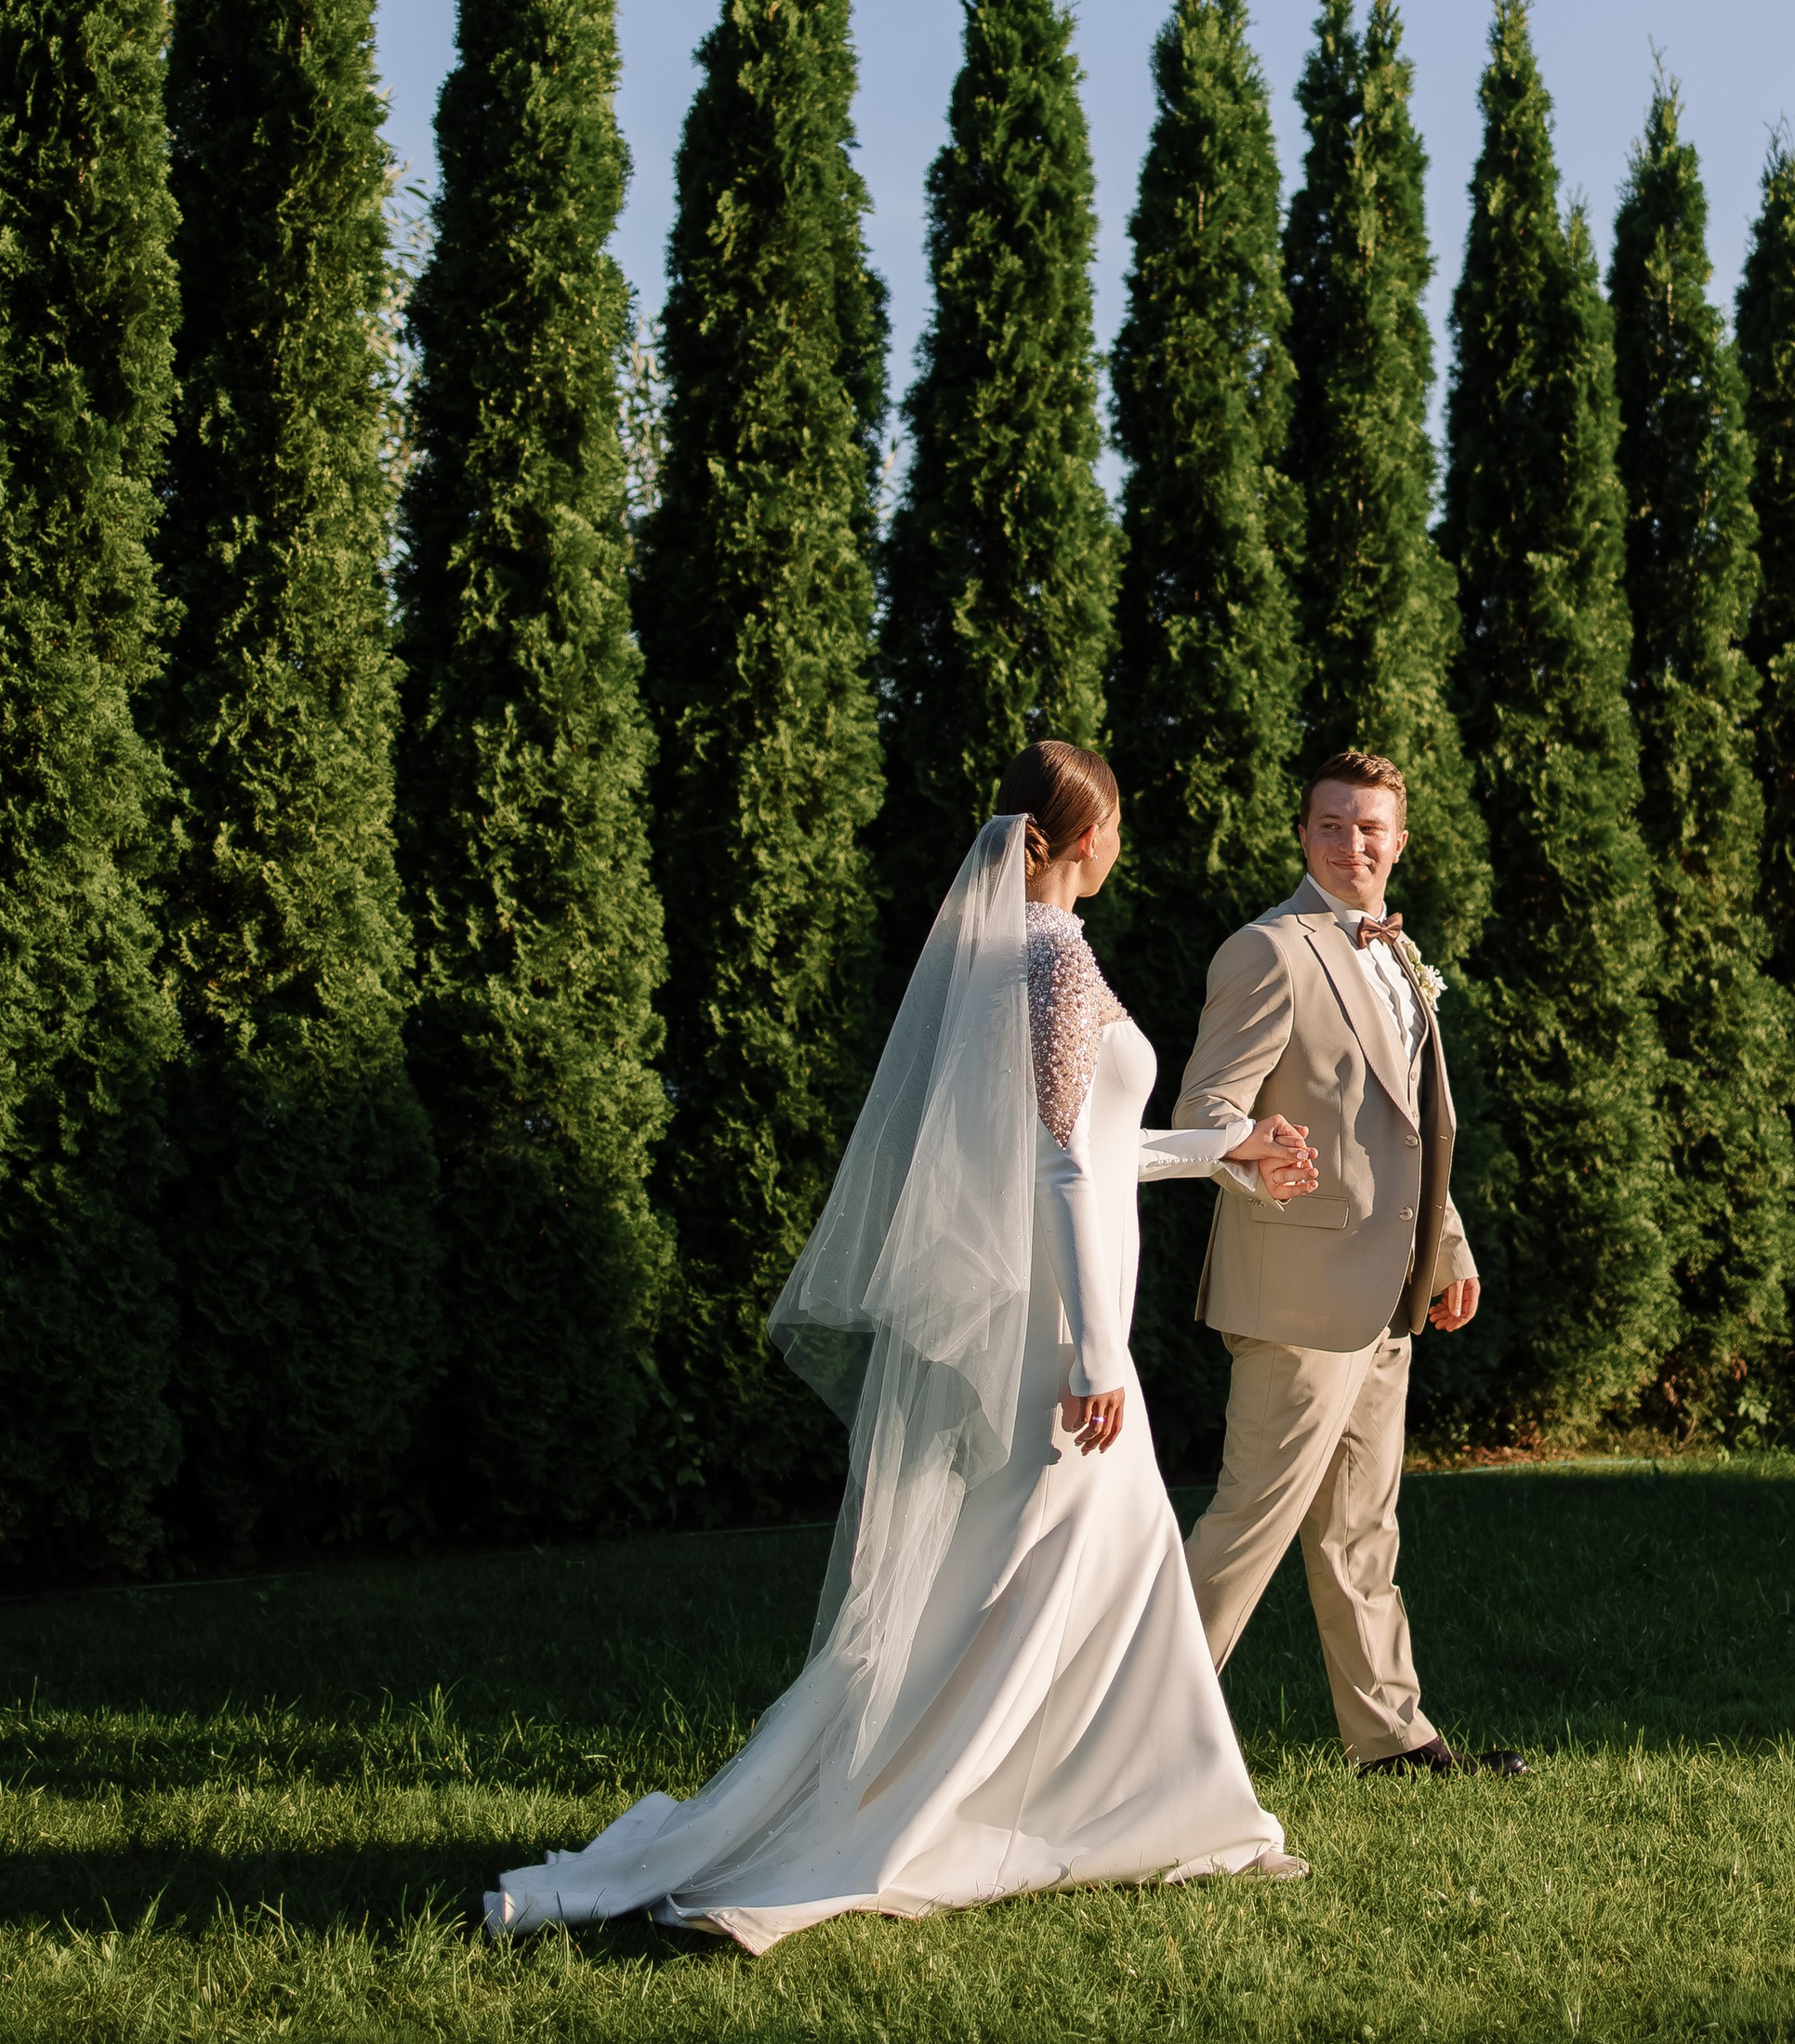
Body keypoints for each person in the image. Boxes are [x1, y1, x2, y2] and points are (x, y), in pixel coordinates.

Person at [485, 741, 1317, 1947]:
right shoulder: (1052, 965)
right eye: (1118, 822)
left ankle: (1181, 1816)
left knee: (1098, 1575)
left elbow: (1096, 1149)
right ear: (1083, 839)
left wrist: (1220, 1154)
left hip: (1063, 1334)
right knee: (1015, 1589)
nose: (1123, 842)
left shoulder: (1026, 962)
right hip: (1059, 1347)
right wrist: (1091, 1356)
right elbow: (1057, 1165)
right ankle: (924, 1822)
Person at [1173, 748, 1525, 1781]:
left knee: (1363, 1528)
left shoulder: (1401, 959)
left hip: (1390, 1294)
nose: (1353, 843)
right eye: (1332, 825)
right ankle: (1135, 1728)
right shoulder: (1268, 952)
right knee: (1251, 1523)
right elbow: (1206, 1112)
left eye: (1371, 827)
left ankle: (1395, 1739)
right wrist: (1258, 1162)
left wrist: (1446, 1247)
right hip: (1297, 1292)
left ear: (1399, 842)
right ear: (1303, 834)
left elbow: (1413, 1129)